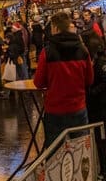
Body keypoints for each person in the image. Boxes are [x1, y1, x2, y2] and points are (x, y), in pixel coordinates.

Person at [33, 11, 94, 149]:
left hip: (55, 109)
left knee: (55, 152)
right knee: (80, 150)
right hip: (78, 107)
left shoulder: (47, 52)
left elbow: (38, 82)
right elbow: (89, 80)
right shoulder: (83, 51)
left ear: (55, 28)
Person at [84, 33, 106, 177]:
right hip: (96, 107)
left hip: (100, 107)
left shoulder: (100, 62)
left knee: (101, 140)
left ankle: (103, 170)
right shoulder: (95, 61)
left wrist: (91, 92)